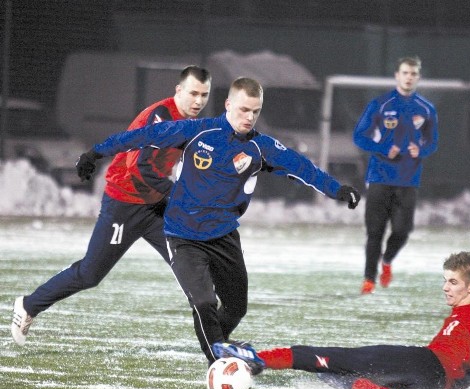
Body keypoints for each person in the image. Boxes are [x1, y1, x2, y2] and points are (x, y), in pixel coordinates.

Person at [69, 77, 361, 367]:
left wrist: (337, 189)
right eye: (243, 110)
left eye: (255, 112)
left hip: (224, 236)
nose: (249, 117)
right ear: (228, 104)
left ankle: (221, 348)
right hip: (182, 235)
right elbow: (143, 136)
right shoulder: (198, 131)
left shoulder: (261, 147)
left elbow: (302, 167)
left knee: (236, 308)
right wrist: (96, 152)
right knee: (204, 303)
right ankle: (219, 365)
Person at [11, 65, 212, 346]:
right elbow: (141, 169)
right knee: (90, 274)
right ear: (178, 91)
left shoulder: (189, 123)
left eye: (204, 94)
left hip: (155, 206)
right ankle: (29, 306)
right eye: (193, 93)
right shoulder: (162, 118)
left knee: (192, 267)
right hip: (125, 203)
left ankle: (217, 344)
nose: (198, 101)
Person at [214, 251, 470, 389]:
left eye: (452, 282)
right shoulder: (461, 316)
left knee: (332, 358)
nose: (445, 287)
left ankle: (255, 358)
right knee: (337, 378)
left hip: (427, 364)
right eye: (444, 280)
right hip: (435, 386)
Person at [353, 56, 439, 295]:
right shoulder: (380, 103)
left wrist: (420, 150)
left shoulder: (426, 108)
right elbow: (360, 136)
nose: (409, 77)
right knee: (374, 233)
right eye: (405, 73)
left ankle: (387, 260)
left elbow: (433, 142)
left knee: (402, 230)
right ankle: (369, 279)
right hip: (379, 177)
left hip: (408, 179)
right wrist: (382, 148)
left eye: (413, 73)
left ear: (418, 77)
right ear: (397, 76)